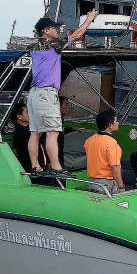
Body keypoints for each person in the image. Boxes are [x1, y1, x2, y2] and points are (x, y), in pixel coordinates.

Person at [27, 11, 96, 175]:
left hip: (34, 94)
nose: (57, 31)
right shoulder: (53, 45)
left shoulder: (33, 47)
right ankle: (57, 167)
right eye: (54, 28)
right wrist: (89, 19)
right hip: (47, 93)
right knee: (52, 133)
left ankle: (35, 166)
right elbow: (77, 34)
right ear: (46, 31)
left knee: (35, 133)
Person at [84, 109, 125, 196]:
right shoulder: (111, 143)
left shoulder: (89, 140)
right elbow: (114, 167)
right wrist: (121, 186)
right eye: (116, 121)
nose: (118, 123)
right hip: (107, 185)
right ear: (110, 125)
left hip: (92, 182)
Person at [10, 102, 39, 170]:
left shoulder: (29, 129)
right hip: (30, 165)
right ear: (19, 116)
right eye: (27, 112)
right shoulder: (21, 132)